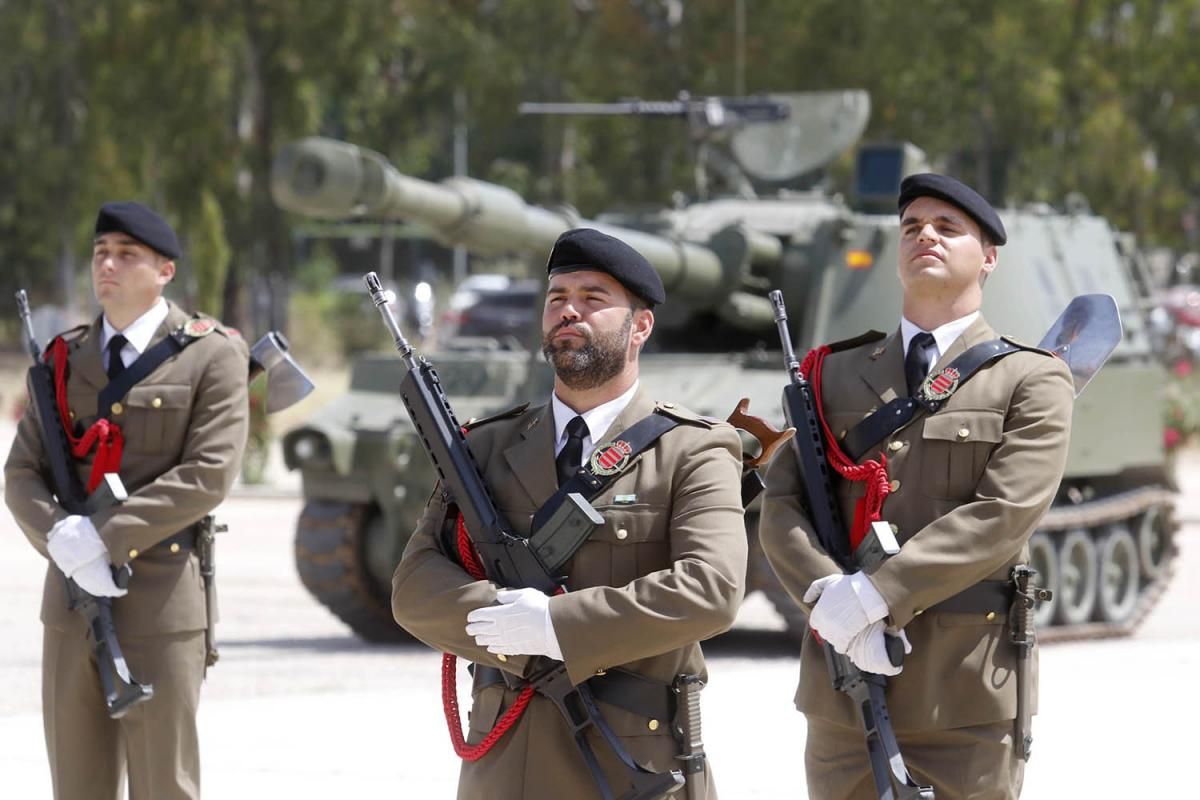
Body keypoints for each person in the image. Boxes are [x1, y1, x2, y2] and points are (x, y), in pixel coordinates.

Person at [392, 227, 747, 799]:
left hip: (634, 757)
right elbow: (415, 584)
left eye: (593, 299)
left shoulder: (693, 449)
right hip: (507, 764)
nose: (568, 312)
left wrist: (557, 627)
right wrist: (498, 619)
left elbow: (711, 589)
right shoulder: (482, 449)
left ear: (641, 326)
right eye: (557, 298)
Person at [759, 174, 1075, 799]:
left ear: (988, 258)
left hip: (962, 700)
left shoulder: (1030, 381)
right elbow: (784, 503)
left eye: (947, 227)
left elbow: (1002, 514)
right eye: (911, 227)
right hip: (840, 691)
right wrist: (827, 596)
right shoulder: (832, 373)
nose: (924, 235)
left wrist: (878, 596)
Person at [5, 201, 249, 799]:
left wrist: (104, 535)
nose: (107, 265)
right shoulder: (62, 359)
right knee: (76, 785)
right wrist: (59, 536)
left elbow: (210, 472)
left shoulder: (211, 354)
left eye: (126, 254)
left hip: (160, 605)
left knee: (164, 784)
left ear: (164, 271)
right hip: (70, 605)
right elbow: (22, 472)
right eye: (100, 253)